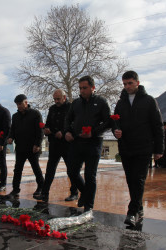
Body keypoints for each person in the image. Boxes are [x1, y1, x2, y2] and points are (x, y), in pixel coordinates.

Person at [112, 70, 164, 227]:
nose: (127, 86)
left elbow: (157, 125)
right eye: (124, 84)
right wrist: (116, 131)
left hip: (143, 147)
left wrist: (159, 149)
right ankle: (139, 208)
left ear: (137, 83)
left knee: (138, 179)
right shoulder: (121, 103)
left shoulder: (149, 101)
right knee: (130, 179)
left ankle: (132, 211)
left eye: (130, 83)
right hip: (126, 147)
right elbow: (115, 121)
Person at [64, 75, 111, 213]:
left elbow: (108, 122)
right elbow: (68, 119)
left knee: (90, 175)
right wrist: (67, 131)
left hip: (94, 142)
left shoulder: (102, 102)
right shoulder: (76, 103)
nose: (82, 90)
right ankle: (85, 192)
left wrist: (94, 132)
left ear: (93, 87)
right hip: (77, 141)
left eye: (84, 88)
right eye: (80, 88)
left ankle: (89, 205)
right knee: (72, 172)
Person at [34, 89, 78, 202]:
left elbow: (74, 124)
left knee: (71, 170)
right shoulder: (52, 109)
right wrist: (46, 129)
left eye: (58, 99)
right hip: (54, 143)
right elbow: (48, 123)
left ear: (64, 97)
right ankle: (44, 193)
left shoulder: (71, 107)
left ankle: (74, 193)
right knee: (50, 170)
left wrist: (63, 132)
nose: (56, 101)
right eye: (54, 99)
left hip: (67, 144)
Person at [6, 94, 45, 199]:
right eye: (17, 104)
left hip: (33, 148)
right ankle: (15, 189)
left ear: (26, 102)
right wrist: (10, 137)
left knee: (35, 168)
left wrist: (37, 144)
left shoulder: (35, 114)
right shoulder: (15, 116)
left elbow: (40, 131)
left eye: (20, 104)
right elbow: (12, 130)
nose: (18, 106)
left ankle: (41, 187)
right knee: (17, 169)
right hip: (20, 148)